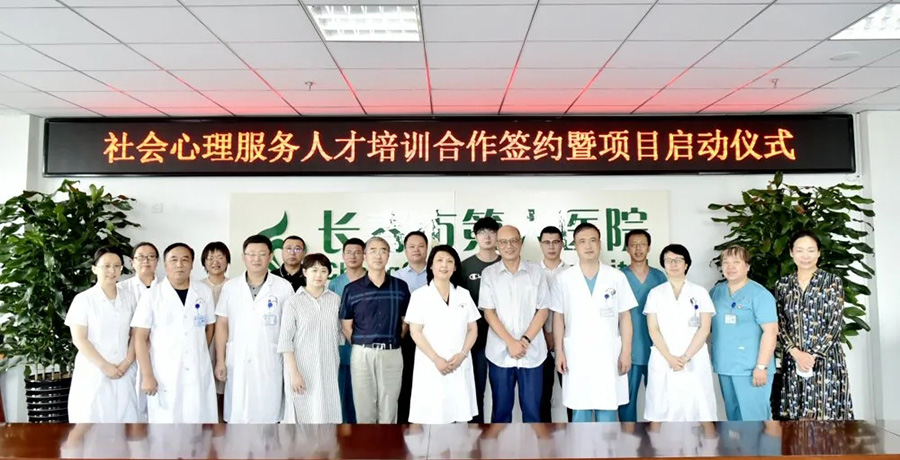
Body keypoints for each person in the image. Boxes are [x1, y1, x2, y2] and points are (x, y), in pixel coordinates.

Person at [553, 223, 636, 422]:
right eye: (582, 241)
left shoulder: (616, 277)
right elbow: (558, 317)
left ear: (600, 244)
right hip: (576, 353)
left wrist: (626, 352)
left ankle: (606, 444)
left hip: (608, 353)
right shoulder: (564, 279)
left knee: (607, 406)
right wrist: (559, 352)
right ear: (575, 246)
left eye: (593, 240)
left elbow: (625, 316)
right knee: (579, 408)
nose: (588, 246)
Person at [131, 243, 217, 423]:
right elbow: (139, 337)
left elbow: (209, 327)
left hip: (197, 369)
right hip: (165, 371)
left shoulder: (204, 291)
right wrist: (147, 375)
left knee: (198, 424)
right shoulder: (152, 295)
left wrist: (198, 350)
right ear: (165, 264)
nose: (179, 265)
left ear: (192, 264)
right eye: (174, 260)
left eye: (185, 260)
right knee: (166, 426)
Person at [214, 235, 294, 423]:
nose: (256, 258)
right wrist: (220, 360)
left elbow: (290, 328)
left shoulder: (283, 287)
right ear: (243, 257)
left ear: (270, 256)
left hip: (270, 358)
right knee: (238, 413)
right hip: (238, 358)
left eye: (262, 254)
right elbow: (222, 324)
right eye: (251, 254)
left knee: (268, 414)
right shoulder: (230, 287)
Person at [775, 230, 853, 420]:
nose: (805, 256)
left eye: (811, 250)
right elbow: (779, 323)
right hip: (793, 360)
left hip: (826, 361)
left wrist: (812, 356)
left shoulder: (832, 282)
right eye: (800, 250)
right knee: (795, 418)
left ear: (818, 253)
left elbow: (835, 324)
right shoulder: (782, 285)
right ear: (791, 253)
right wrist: (796, 353)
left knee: (826, 418)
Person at [480, 224, 550, 423]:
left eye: (513, 241)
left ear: (521, 243)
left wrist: (524, 341)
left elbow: (543, 310)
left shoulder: (537, 272)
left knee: (533, 412)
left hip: (532, 352)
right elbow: (489, 312)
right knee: (501, 412)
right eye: (503, 242)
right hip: (500, 353)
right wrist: (511, 343)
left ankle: (533, 445)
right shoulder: (489, 274)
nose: (508, 246)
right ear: (497, 245)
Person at [340, 236, 411, 423]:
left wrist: (392, 340)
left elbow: (405, 322)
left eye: (383, 251)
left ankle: (388, 443)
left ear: (388, 256)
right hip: (362, 353)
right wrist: (363, 344)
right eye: (373, 251)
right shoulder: (351, 289)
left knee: (389, 408)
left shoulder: (400, 287)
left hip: (392, 353)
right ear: (365, 255)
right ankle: (366, 442)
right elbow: (346, 326)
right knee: (364, 408)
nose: (378, 255)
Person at [406, 245, 480, 424]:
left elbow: (473, 329)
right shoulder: (419, 295)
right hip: (431, 363)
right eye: (439, 260)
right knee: (434, 417)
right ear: (431, 265)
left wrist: (463, 354)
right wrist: (436, 359)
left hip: (459, 362)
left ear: (455, 267)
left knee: (460, 417)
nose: (444, 265)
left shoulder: (463, 294)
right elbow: (415, 332)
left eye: (449, 261)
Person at [644, 244, 717, 422]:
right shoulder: (655, 293)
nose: (673, 264)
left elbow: (704, 329)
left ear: (686, 264)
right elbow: (653, 329)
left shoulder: (700, 292)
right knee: (659, 410)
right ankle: (658, 442)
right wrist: (670, 358)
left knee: (701, 408)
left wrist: (685, 357)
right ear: (663, 265)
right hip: (664, 357)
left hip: (694, 357)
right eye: (668, 260)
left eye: (678, 260)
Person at [66, 247, 138, 423]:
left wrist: (127, 362)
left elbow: (136, 333)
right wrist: (104, 366)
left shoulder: (129, 298)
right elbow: (79, 338)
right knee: (89, 421)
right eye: (106, 266)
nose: (112, 270)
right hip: (93, 371)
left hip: (123, 369)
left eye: (117, 266)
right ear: (94, 268)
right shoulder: (83, 299)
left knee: (124, 424)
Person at [710, 245, 778, 421]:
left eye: (736, 262)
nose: (730, 267)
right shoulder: (717, 292)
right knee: (734, 419)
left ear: (747, 266)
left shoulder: (760, 294)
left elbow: (771, 332)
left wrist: (761, 367)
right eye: (726, 263)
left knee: (755, 421)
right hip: (725, 366)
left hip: (751, 369)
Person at [279, 253, 342, 423]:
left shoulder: (335, 300)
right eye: (314, 270)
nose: (319, 275)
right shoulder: (293, 302)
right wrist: (294, 373)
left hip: (328, 367)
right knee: (303, 415)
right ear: (304, 272)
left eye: (323, 271)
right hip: (301, 369)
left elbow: (339, 335)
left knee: (327, 413)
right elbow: (285, 341)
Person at [618, 229, 667, 422]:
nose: (638, 249)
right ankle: (627, 437)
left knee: (658, 398)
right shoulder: (619, 277)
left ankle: (658, 436)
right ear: (627, 248)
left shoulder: (659, 277)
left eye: (642, 245)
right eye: (633, 245)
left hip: (656, 346)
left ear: (649, 248)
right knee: (626, 399)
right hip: (628, 348)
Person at [460, 216, 501, 423]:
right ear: (475, 236)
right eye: (482, 232)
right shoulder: (465, 266)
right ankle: (476, 433)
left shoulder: (506, 262)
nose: (487, 236)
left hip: (503, 336)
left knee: (502, 391)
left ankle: (498, 433)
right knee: (475, 389)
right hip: (475, 338)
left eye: (492, 232)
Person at [118, 241, 161, 423]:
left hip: (160, 353)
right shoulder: (121, 289)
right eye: (141, 257)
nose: (146, 261)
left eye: (151, 257)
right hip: (129, 355)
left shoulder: (166, 287)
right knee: (132, 407)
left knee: (160, 405)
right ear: (132, 262)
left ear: (157, 261)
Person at [328, 237, 366, 424]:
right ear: (342, 256)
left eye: (357, 252)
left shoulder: (372, 279)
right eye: (349, 252)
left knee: (366, 394)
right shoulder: (336, 283)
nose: (353, 256)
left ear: (364, 255)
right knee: (344, 392)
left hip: (368, 345)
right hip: (343, 346)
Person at [393, 231, 429, 424]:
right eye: (412, 246)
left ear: (427, 249)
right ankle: (406, 424)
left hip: (431, 336)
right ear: (405, 250)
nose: (416, 250)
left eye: (421, 246)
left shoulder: (436, 274)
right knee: (406, 379)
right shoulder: (396, 277)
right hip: (406, 336)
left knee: (428, 380)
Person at [537, 226, 569, 422]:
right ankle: (544, 439)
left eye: (556, 242)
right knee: (541, 397)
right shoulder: (531, 271)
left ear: (562, 244)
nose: (551, 247)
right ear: (540, 244)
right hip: (537, 342)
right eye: (546, 242)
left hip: (566, 344)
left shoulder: (572, 272)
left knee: (572, 395)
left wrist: (557, 337)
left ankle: (576, 436)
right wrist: (544, 333)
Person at [199, 241, 230, 420]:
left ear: (227, 260)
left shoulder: (235, 286)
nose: (215, 262)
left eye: (220, 257)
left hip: (227, 342)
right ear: (203, 262)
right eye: (210, 258)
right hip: (204, 341)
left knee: (225, 388)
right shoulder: (196, 287)